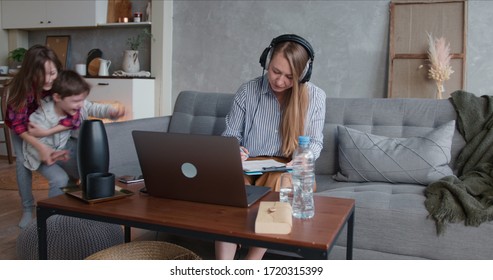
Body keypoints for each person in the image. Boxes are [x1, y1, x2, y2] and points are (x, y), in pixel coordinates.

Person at [216, 34, 326, 260]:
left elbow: (315, 142)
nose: (279, 81)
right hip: (249, 165)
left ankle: (251, 263)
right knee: (227, 185)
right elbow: (230, 135)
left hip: (286, 166)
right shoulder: (248, 91)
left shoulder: (315, 96)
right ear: (267, 61)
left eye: (289, 76)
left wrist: (305, 158)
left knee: (281, 184)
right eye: (275, 71)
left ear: (303, 75)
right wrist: (233, 150)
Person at [4, 45, 80, 228]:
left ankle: (64, 199)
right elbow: (19, 125)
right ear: (30, 72)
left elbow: (75, 111)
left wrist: (48, 134)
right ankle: (28, 209)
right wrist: (41, 147)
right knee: (23, 162)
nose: (48, 79)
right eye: (41, 74)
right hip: (22, 129)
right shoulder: (20, 88)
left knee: (63, 164)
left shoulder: (61, 83)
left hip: (48, 127)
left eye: (52, 73)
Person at [23, 70, 125, 193]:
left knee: (85, 168)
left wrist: (111, 111)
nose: (81, 105)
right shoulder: (42, 116)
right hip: (40, 157)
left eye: (83, 100)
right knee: (60, 179)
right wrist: (47, 154)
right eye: (76, 101)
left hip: (62, 151)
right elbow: (32, 143)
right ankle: (55, 210)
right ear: (57, 98)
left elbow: (93, 107)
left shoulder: (79, 106)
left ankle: (73, 198)